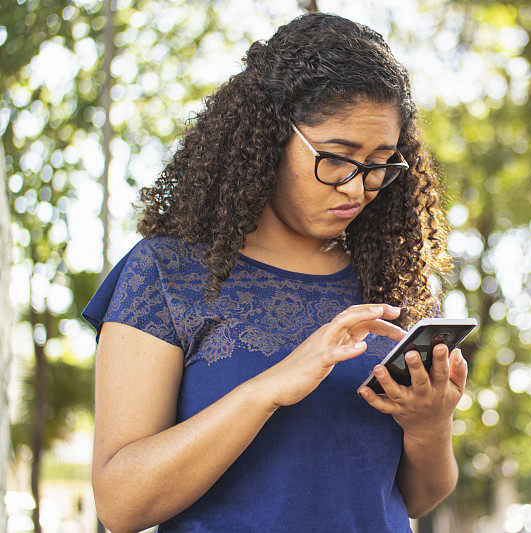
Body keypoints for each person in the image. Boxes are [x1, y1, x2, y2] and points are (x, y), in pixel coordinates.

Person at [80, 11, 469, 533]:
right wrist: (271, 387)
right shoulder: (165, 275)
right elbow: (120, 504)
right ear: (268, 138)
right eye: (336, 158)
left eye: (381, 163)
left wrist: (430, 426)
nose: (357, 188)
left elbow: (417, 499)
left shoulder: (390, 284)